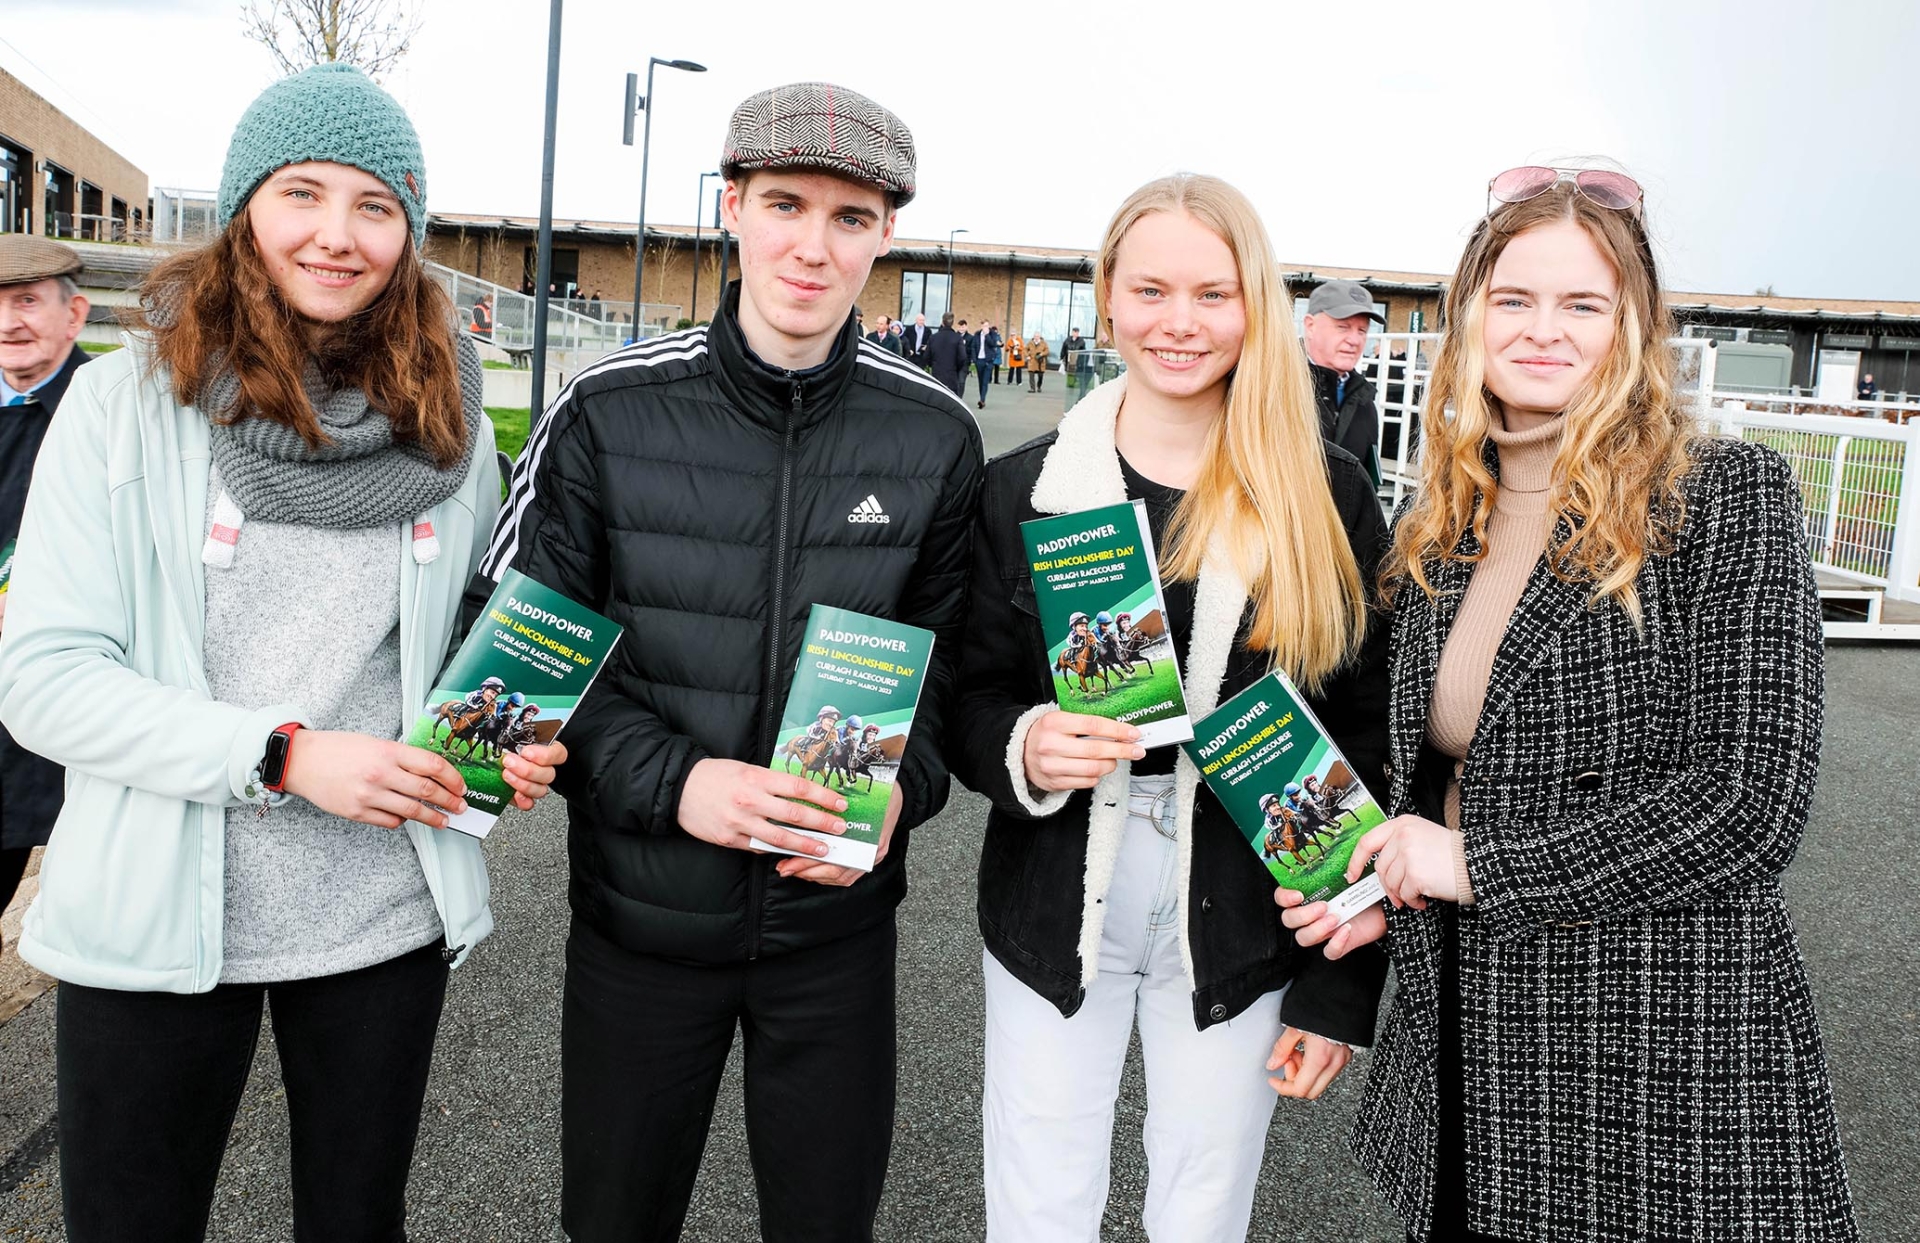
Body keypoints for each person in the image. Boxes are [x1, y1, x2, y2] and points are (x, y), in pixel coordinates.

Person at [0, 64, 569, 1242]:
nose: (336, 234)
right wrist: (280, 753)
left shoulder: (452, 427)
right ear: (246, 205)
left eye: (374, 204)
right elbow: (43, 677)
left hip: (377, 913)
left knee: (357, 1222)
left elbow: (460, 639)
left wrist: (499, 741)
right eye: (302, 192)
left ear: (409, 228)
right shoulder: (123, 409)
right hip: (156, 913)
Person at [1279, 165, 1859, 1242]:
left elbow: (1751, 806)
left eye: (1582, 304)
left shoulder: (1727, 496)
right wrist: (1383, 894)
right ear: (1471, 317)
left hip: (1655, 1051)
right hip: (1468, 1036)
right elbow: (1443, 779)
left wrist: (1475, 867)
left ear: (1632, 324)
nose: (1544, 331)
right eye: (1514, 299)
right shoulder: (1442, 522)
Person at [474, 80, 984, 1243]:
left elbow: (949, 678)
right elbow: (521, 658)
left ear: (887, 235)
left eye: (850, 218)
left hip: (832, 939)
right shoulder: (607, 406)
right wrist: (677, 783)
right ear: (732, 206)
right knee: (613, 1220)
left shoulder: (935, 434)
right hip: (642, 921)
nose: (812, 245)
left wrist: (897, 795)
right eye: (786, 205)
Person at [946, 173, 1389, 1243]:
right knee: (1040, 1199)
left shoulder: (1325, 493)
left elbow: (1369, 731)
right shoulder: (1024, 489)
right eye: (1150, 289)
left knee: (1202, 1204)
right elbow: (963, 696)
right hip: (1059, 887)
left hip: (1242, 890)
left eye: (1213, 293)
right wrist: (1026, 742)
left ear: (1255, 309)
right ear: (1106, 297)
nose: (1178, 323)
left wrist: (1341, 988)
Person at [0, 235, 91, 949]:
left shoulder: (113, 415)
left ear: (76, 314)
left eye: (27, 300)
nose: (9, 322)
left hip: (78, 706)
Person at [1301, 279, 1385, 485]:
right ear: (1310, 326)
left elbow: (1368, 483)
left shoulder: (1365, 402)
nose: (1354, 340)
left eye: (1362, 331)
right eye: (1343, 327)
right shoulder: (1273, 387)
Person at [932, 311, 971, 397]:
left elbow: (927, 355)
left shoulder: (934, 337)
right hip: (952, 373)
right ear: (952, 323)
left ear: (942, 322)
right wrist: (957, 366)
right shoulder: (957, 338)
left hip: (937, 372)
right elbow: (962, 356)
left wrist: (933, 364)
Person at [969, 318, 1002, 408]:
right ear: (981, 326)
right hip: (979, 360)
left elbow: (992, 344)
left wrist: (987, 335)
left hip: (988, 361)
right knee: (980, 381)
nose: (985, 327)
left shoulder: (992, 334)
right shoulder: (977, 334)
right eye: (984, 326)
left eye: (987, 326)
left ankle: (982, 400)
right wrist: (974, 359)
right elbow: (973, 347)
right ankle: (981, 397)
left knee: (985, 381)